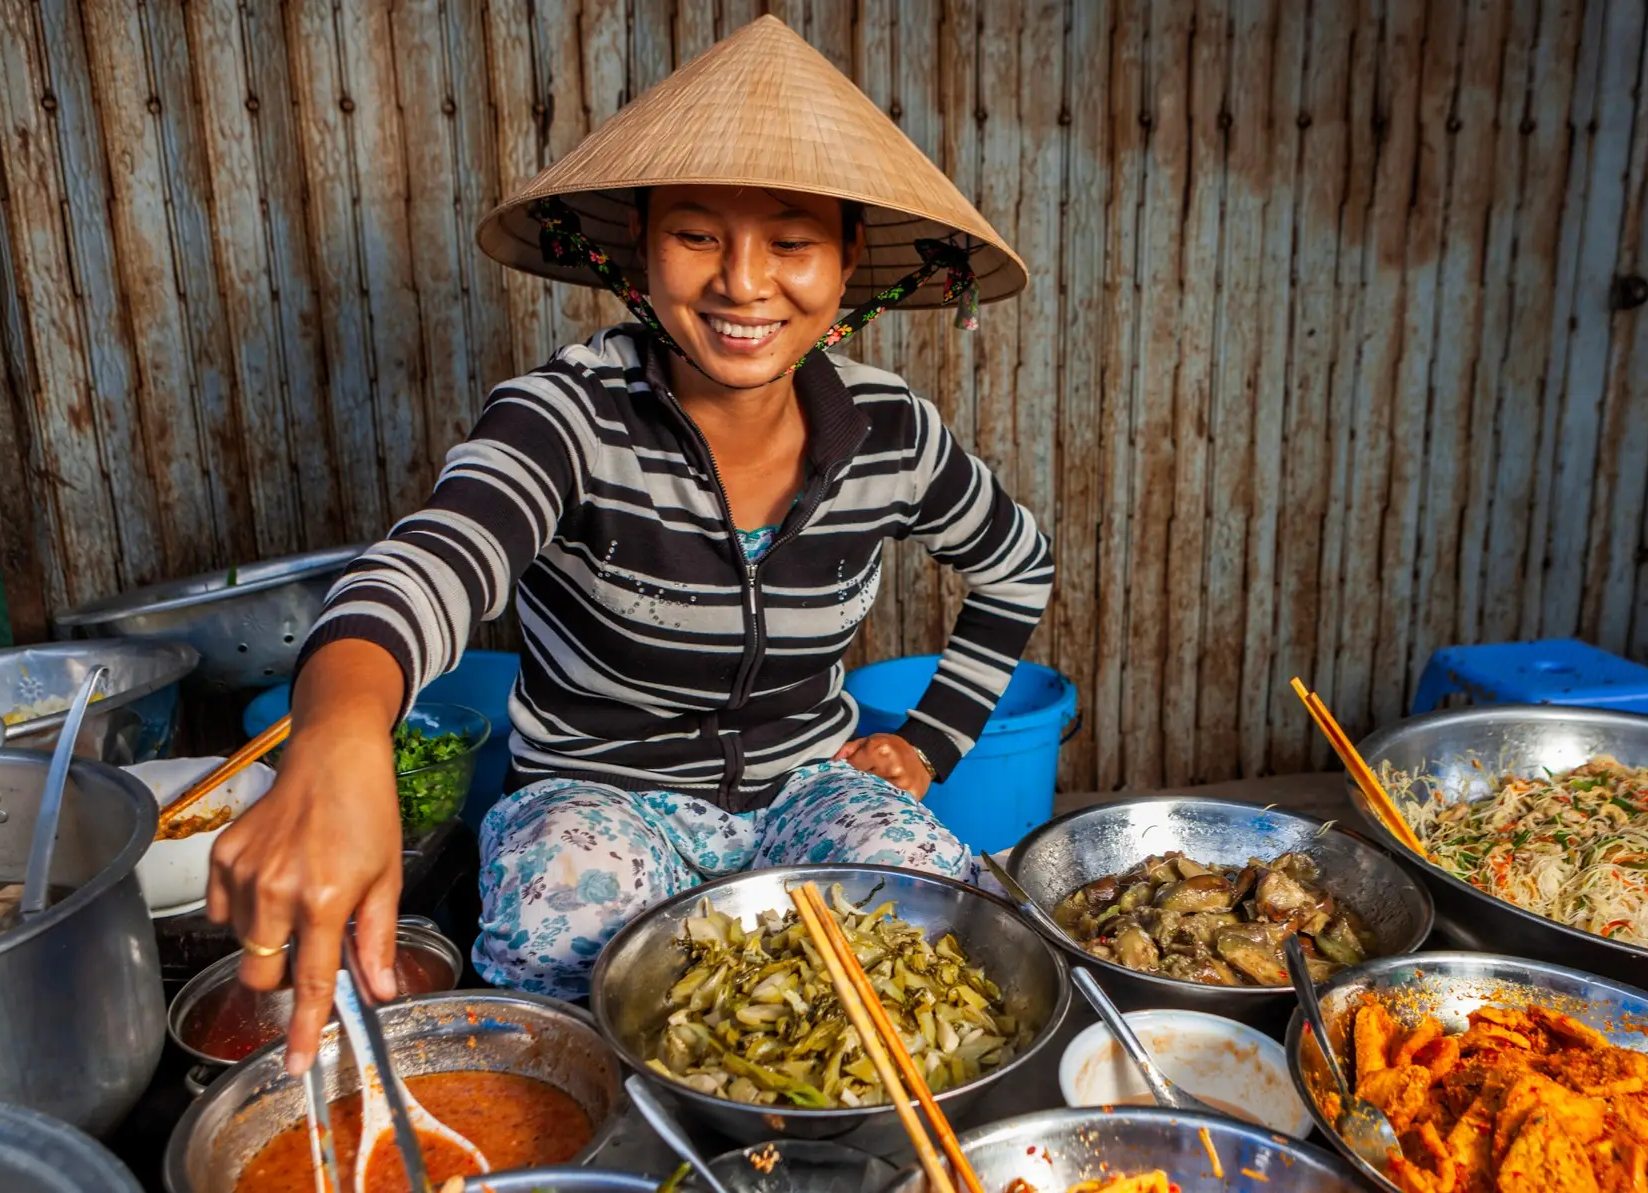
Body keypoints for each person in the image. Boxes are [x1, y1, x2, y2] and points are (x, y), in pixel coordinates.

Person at [206, 15, 1050, 1075]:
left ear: (846, 268)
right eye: (697, 234)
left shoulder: (892, 433)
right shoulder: (566, 415)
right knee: (574, 946)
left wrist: (928, 741)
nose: (743, 283)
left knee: (941, 926)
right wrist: (337, 737)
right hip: (590, 797)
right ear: (640, 253)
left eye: (791, 242)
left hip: (807, 786)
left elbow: (1018, 562)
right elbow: (429, 561)